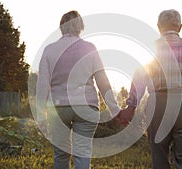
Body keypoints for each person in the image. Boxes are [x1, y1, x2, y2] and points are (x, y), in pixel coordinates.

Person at [119, 9, 182, 169]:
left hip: (158, 102)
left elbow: (139, 78)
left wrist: (131, 106)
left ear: (158, 26)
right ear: (180, 27)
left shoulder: (150, 48)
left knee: (159, 154)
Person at [36, 10, 120, 169]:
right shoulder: (90, 48)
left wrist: (41, 114)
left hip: (58, 107)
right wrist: (114, 110)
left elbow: (42, 84)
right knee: (82, 152)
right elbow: (103, 81)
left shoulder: (49, 49)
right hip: (87, 106)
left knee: (61, 153)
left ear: (61, 27)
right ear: (80, 27)